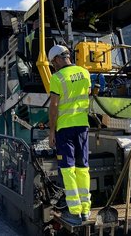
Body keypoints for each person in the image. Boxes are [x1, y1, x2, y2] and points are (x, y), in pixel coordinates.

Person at [47, 44, 91, 225]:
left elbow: (54, 106)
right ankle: (85, 210)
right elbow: (87, 93)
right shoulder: (85, 72)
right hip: (83, 126)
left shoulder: (57, 78)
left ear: (57, 59)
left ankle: (74, 213)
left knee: (68, 169)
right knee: (83, 169)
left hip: (65, 128)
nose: (53, 66)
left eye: (52, 62)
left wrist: (51, 131)